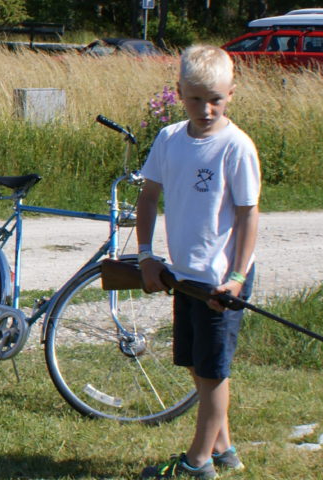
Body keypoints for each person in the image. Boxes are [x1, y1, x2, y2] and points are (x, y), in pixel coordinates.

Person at [136, 45, 261, 479]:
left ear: (232, 93)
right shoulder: (169, 140)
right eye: (195, 99)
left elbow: (247, 215)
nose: (205, 109)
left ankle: (197, 462)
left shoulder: (236, 147)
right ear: (178, 93)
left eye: (216, 99)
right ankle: (224, 448)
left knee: (213, 373)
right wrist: (147, 256)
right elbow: (148, 196)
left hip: (220, 282)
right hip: (183, 275)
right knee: (195, 363)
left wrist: (238, 278)